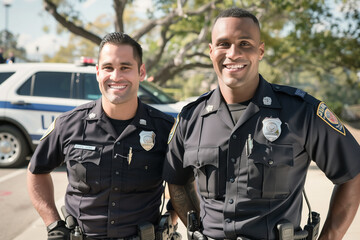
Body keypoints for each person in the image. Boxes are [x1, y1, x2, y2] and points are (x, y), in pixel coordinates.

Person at [163, 7, 360, 240]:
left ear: (261, 50)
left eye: (245, 43)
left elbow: (352, 173)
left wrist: (329, 237)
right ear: (211, 51)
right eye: (224, 44)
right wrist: (197, 230)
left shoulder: (300, 111)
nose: (233, 53)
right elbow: (177, 182)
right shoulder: (190, 118)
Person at [27, 32, 178, 239]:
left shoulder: (165, 128)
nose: (116, 76)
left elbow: (184, 181)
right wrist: (53, 223)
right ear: (98, 72)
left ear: (141, 72)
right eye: (108, 68)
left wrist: (169, 220)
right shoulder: (69, 124)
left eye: (125, 67)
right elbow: (36, 171)